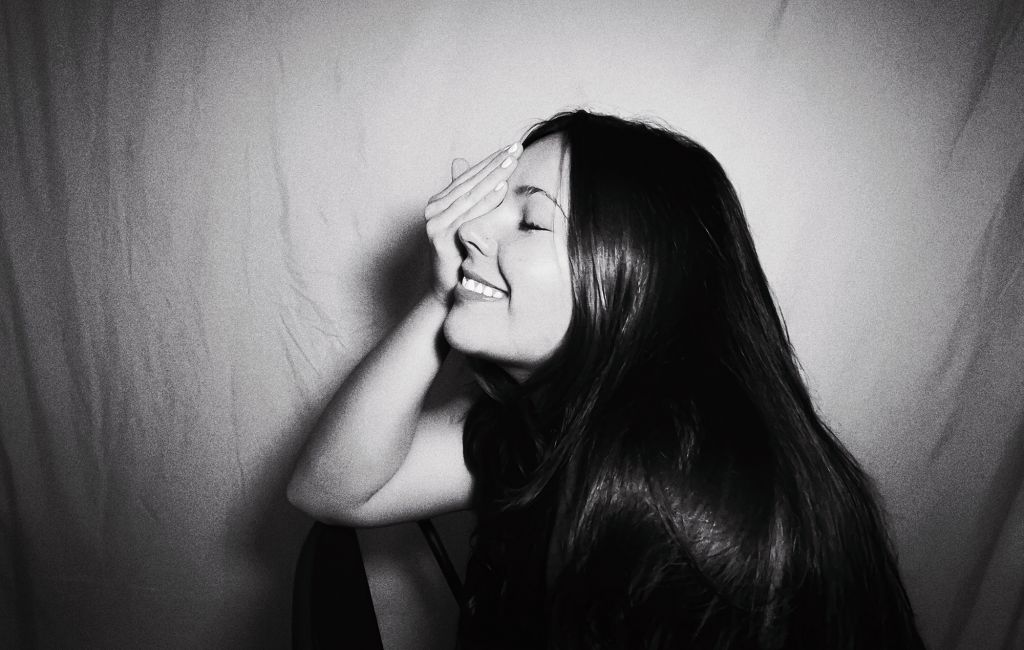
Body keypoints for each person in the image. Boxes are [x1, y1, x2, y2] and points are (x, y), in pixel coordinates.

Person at [287, 110, 925, 648]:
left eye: (531, 221)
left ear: (637, 275)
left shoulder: (669, 492)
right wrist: (444, 293)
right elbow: (333, 490)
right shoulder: (551, 421)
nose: (463, 230)